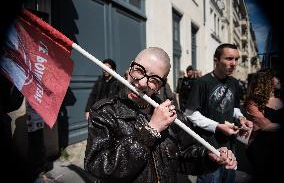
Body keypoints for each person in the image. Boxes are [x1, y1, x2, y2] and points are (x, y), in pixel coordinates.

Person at [84, 47, 237, 183]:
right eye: (139, 70)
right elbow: (98, 167)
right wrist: (150, 131)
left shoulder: (172, 116)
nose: (143, 83)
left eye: (154, 80)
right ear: (130, 67)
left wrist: (208, 157)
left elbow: (184, 158)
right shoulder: (105, 111)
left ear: (160, 86)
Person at [184, 43, 253, 183]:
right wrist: (217, 126)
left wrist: (241, 118)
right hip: (209, 150)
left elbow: (234, 107)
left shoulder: (234, 82)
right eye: (229, 58)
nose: (234, 64)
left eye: (236, 59)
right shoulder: (202, 82)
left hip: (230, 149)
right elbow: (190, 114)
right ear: (216, 60)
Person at [244, 68, 283, 182]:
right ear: (266, 80)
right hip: (261, 148)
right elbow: (265, 125)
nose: (280, 80)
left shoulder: (280, 98)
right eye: (277, 77)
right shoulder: (253, 102)